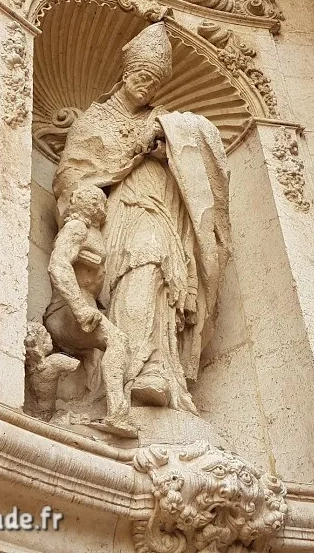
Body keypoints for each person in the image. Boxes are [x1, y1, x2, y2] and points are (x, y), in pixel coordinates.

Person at [53, 22, 231, 414]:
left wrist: (166, 139)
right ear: (126, 74)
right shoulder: (95, 120)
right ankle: (131, 369)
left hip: (161, 211)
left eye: (154, 84)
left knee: (159, 276)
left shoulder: (162, 119)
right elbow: (70, 176)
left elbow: (198, 157)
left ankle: (157, 367)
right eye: (142, 78)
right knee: (138, 267)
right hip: (121, 210)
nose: (147, 88)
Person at [45, 185, 136, 437]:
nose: (100, 206)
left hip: (80, 309)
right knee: (118, 341)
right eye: (95, 201)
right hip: (68, 311)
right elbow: (58, 265)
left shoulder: (89, 231)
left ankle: (81, 410)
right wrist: (80, 308)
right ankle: (118, 413)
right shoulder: (77, 228)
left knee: (98, 368)